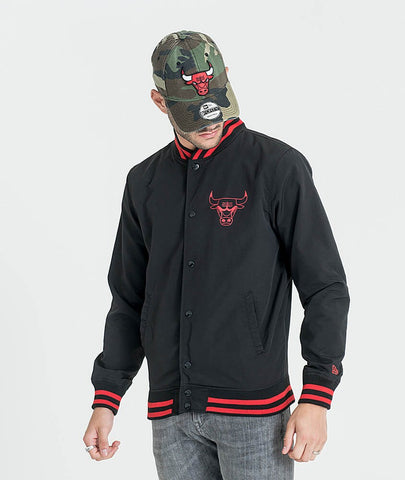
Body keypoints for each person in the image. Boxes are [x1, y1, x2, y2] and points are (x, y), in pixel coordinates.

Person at [83, 30, 350, 480]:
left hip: (255, 413)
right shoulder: (144, 182)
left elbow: (325, 287)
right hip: (171, 414)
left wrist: (317, 395)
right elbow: (129, 299)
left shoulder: (277, 167)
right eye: (193, 113)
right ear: (159, 101)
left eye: (216, 106)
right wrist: (107, 397)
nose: (209, 123)